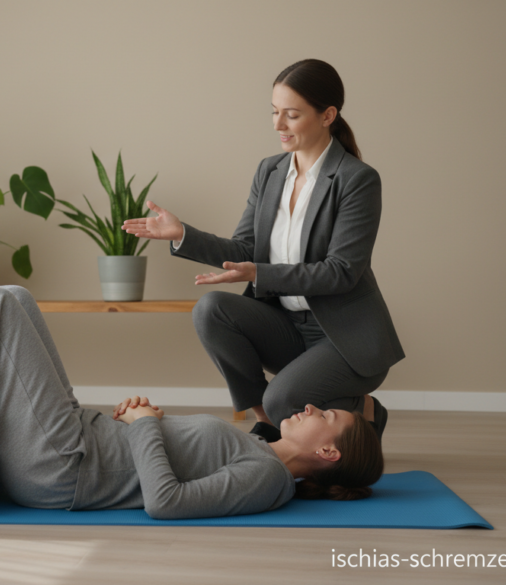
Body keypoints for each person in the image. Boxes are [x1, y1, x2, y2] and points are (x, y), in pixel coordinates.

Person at [0, 280, 383, 520]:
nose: (310, 407)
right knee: (16, 299)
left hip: (61, 467)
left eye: (326, 415)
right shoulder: (258, 452)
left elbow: (167, 503)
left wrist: (144, 425)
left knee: (1, 308)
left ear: (329, 454)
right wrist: (137, 424)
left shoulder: (267, 480)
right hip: (76, 438)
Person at [122, 59, 405, 441]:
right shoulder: (269, 172)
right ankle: (268, 420)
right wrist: (182, 233)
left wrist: (259, 273)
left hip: (343, 336)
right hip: (285, 324)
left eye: (292, 115)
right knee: (210, 309)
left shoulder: (357, 179)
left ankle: (364, 409)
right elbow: (246, 248)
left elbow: (341, 271)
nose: (278, 125)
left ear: (327, 115)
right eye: (274, 112)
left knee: (283, 398)